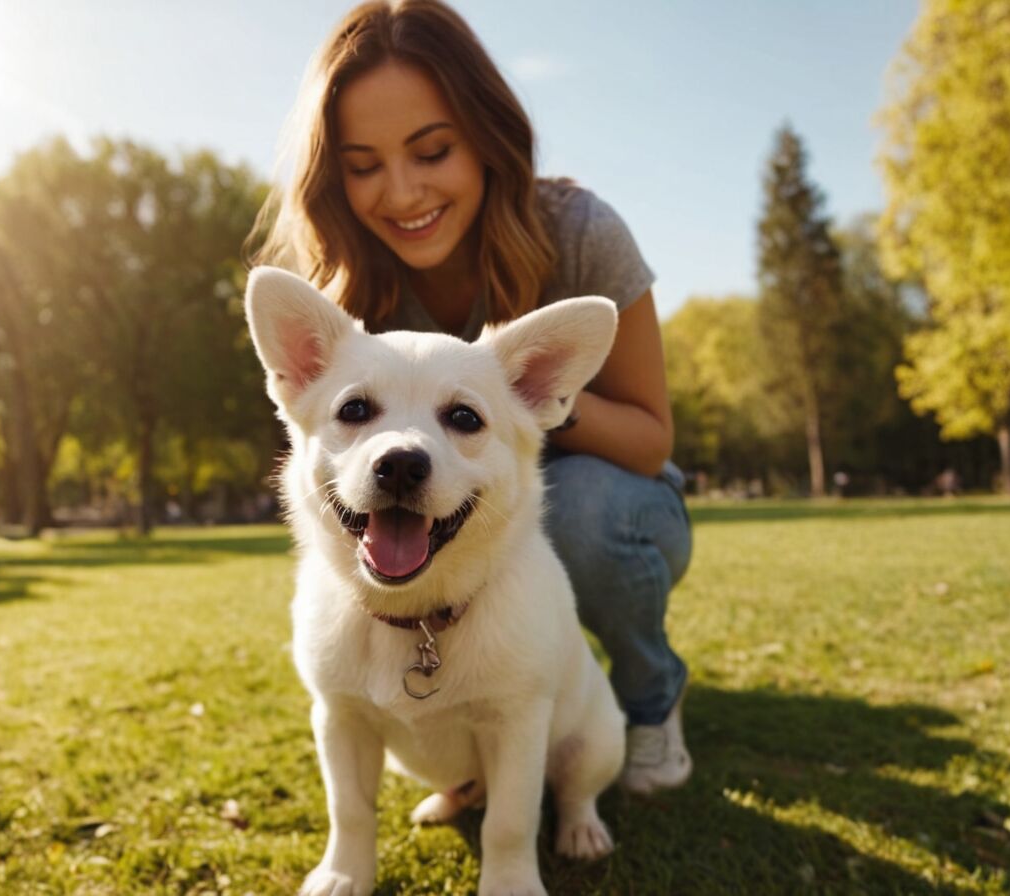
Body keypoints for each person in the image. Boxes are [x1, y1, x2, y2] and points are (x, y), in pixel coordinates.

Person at [249, 0, 693, 796]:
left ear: (486, 137)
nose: (402, 191)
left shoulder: (580, 231)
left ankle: (651, 699)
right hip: (444, 525)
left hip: (616, 498)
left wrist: (516, 398)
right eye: (363, 164)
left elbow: (651, 440)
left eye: (432, 150)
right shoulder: (342, 281)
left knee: (574, 511)